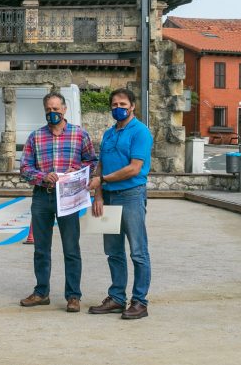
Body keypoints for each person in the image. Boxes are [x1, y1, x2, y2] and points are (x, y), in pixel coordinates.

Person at [18, 92, 98, 313]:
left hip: (69, 197)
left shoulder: (80, 135)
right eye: (48, 110)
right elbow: (24, 168)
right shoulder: (36, 137)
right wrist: (42, 176)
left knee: (71, 248)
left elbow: (92, 161)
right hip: (43, 196)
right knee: (41, 249)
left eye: (56, 109)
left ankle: (73, 296)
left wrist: (79, 171)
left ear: (64, 109)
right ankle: (41, 292)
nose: (52, 113)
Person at [89, 88, 153, 320]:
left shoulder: (141, 132)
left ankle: (139, 301)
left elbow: (134, 168)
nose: (118, 108)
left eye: (123, 104)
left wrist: (102, 181)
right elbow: (101, 165)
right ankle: (117, 297)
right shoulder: (108, 133)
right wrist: (98, 195)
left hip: (131, 196)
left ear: (132, 106)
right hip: (109, 197)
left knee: (138, 251)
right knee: (113, 251)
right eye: (114, 104)